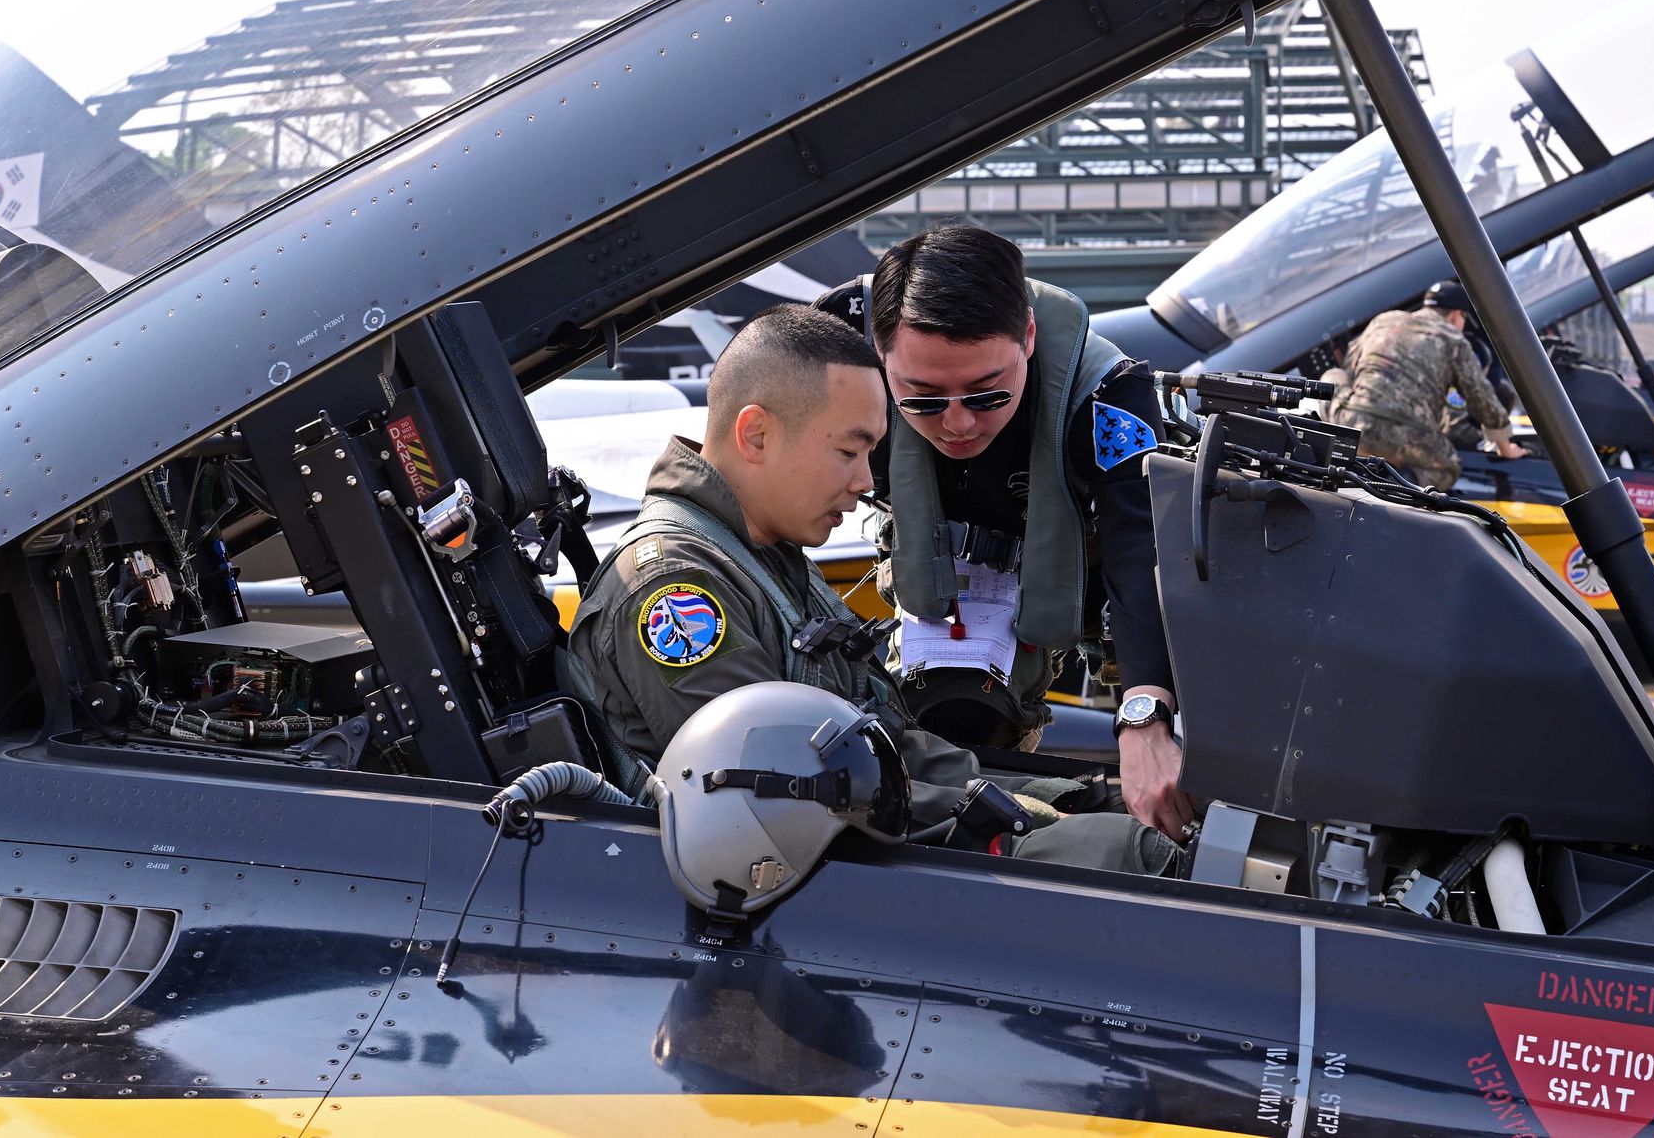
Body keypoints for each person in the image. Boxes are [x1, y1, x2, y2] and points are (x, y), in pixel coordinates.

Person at [564, 304, 1178, 876]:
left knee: (1130, 815)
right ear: (756, 435)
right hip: (821, 876)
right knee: (1150, 861)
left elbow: (884, 739)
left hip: (874, 840)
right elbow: (786, 792)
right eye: (848, 451)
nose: (864, 482)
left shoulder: (763, 559)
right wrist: (1026, 818)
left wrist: (1047, 797)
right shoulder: (676, 589)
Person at [816, 224, 1192, 842]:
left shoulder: (1108, 396)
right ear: (879, 355)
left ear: (1030, 337)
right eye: (923, 397)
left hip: (1056, 575)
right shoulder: (831, 350)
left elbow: (1140, 546)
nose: (959, 425)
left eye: (987, 394)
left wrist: (1145, 719)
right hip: (922, 564)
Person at [1325, 280, 1528, 490]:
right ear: (1456, 315)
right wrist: (1505, 447)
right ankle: (1399, 486)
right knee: (1449, 467)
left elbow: (1351, 366)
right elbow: (1482, 398)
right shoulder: (1453, 340)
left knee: (1332, 375)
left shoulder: (1383, 321)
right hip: (1405, 439)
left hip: (1351, 426)